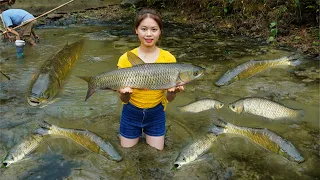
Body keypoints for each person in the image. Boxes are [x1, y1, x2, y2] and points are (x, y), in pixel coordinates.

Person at [117, 8, 184, 151]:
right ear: (136, 30)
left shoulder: (169, 59)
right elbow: (123, 100)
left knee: (156, 155)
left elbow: (169, 99)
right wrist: (124, 94)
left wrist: (173, 92)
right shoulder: (125, 58)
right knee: (127, 154)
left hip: (156, 113)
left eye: (154, 29)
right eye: (144, 29)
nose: (148, 34)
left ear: (160, 31)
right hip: (130, 112)